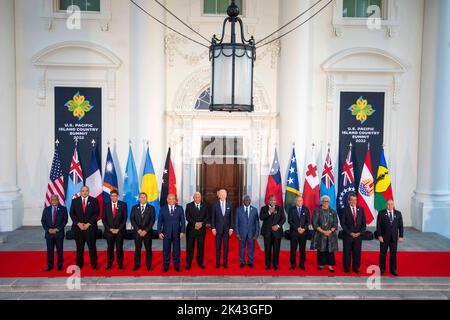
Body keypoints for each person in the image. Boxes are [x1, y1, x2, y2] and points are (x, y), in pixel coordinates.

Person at [69, 186, 99, 270]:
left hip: (90, 228)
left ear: (88, 191)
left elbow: (96, 213)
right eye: (83, 191)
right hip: (78, 228)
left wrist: (88, 224)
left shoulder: (94, 200)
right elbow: (72, 213)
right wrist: (78, 223)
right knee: (79, 248)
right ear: (80, 192)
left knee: (92, 247)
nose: (85, 192)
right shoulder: (75, 201)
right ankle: (79, 264)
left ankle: (94, 264)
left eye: (86, 191)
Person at [158, 194, 186, 272]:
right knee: (166, 251)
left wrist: (182, 231)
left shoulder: (180, 208)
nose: (171, 200)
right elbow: (160, 221)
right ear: (167, 200)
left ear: (175, 200)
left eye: (173, 199)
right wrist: (159, 232)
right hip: (166, 233)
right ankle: (165, 266)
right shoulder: (163, 209)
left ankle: (176, 265)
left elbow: (183, 221)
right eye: (169, 199)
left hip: (177, 233)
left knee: (177, 251)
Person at [311, 195, 339, 272]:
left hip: (331, 234)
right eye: (324, 201)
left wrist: (330, 231)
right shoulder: (317, 211)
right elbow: (314, 223)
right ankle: (321, 264)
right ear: (322, 202)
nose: (326, 202)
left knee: (330, 250)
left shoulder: (333, 211)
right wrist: (323, 231)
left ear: (329, 202)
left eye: (327, 201)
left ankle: (330, 266)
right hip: (320, 234)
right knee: (321, 250)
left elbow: (335, 224)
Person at [377, 199, 404, 276]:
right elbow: (378, 226)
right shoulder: (381, 213)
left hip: (394, 238)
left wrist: (401, 236)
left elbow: (401, 226)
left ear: (393, 204)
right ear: (386, 205)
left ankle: (393, 269)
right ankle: (382, 269)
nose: (390, 206)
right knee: (382, 254)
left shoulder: (398, 213)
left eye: (392, 204)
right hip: (384, 238)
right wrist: (379, 235)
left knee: (393, 254)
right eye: (388, 204)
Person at [41, 194, 68, 272]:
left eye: (56, 199)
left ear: (58, 200)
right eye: (52, 199)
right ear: (50, 201)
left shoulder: (63, 209)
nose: (54, 201)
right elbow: (43, 221)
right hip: (49, 234)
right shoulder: (46, 210)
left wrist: (57, 229)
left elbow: (65, 220)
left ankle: (60, 265)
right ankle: (50, 265)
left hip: (59, 233)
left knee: (59, 250)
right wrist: (48, 229)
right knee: (50, 251)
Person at [341, 193, 366, 273]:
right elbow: (343, 224)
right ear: (349, 201)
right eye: (352, 200)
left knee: (357, 253)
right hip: (348, 235)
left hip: (358, 236)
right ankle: (347, 268)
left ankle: (356, 267)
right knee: (347, 253)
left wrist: (359, 233)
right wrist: (350, 233)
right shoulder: (344, 210)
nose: (353, 201)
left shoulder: (361, 209)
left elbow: (364, 224)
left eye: (355, 200)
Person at [102, 190, 127, 270]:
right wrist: (110, 229)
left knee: (119, 248)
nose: (113, 197)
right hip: (109, 232)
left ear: (117, 196)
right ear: (110, 197)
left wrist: (118, 229)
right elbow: (104, 219)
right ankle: (109, 264)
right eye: (112, 196)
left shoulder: (123, 205)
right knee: (110, 248)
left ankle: (120, 264)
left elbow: (124, 218)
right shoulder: (106, 205)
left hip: (119, 232)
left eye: (115, 196)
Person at [131, 193, 155, 271]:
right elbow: (132, 219)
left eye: (144, 197)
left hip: (147, 233)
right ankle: (137, 265)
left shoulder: (151, 208)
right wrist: (138, 230)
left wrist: (145, 230)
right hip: (137, 233)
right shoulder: (134, 208)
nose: (143, 199)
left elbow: (152, 220)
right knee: (137, 249)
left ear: (146, 198)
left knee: (148, 249)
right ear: (139, 198)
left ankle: (149, 265)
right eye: (141, 197)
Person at [260, 195, 285, 270]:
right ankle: (268, 264)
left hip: (277, 232)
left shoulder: (279, 208)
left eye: (274, 200)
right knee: (267, 249)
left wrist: (277, 226)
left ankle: (275, 264)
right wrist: (269, 212)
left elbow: (283, 219)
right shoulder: (263, 208)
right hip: (267, 232)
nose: (273, 202)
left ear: (276, 201)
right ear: (268, 201)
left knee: (276, 249)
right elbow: (261, 217)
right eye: (271, 200)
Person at [211, 189, 235, 269]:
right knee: (217, 247)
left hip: (227, 230)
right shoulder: (215, 205)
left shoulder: (230, 204)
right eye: (221, 194)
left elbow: (232, 217)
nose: (222, 196)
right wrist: (213, 228)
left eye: (224, 194)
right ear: (218, 195)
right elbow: (213, 217)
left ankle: (225, 263)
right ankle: (217, 263)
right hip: (218, 230)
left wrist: (231, 228)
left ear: (226, 195)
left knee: (226, 247)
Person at [235, 195, 260, 269]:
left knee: (251, 248)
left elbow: (257, 223)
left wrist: (256, 233)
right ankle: (242, 262)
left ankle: (250, 262)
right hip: (242, 233)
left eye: (248, 200)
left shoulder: (254, 210)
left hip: (251, 233)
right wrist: (237, 233)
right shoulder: (238, 210)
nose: (247, 201)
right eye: (245, 200)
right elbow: (236, 222)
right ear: (243, 201)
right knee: (241, 248)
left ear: (250, 201)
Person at [185, 192, 208, 270]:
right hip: (191, 229)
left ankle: (200, 262)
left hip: (201, 230)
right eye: (196, 197)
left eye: (199, 197)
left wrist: (201, 223)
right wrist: (195, 223)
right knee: (190, 247)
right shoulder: (189, 206)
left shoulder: (205, 205)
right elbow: (187, 217)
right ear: (193, 198)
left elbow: (207, 217)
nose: (197, 198)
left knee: (200, 247)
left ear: (200, 198)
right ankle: (188, 263)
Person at [287, 195, 310, 271]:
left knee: (302, 249)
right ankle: (293, 264)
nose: (300, 202)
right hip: (294, 232)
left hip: (303, 233)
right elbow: (290, 221)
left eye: (301, 200)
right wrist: (297, 228)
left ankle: (302, 264)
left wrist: (303, 229)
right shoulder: (291, 209)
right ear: (295, 201)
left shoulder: (306, 209)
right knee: (293, 249)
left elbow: (308, 221)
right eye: (298, 200)